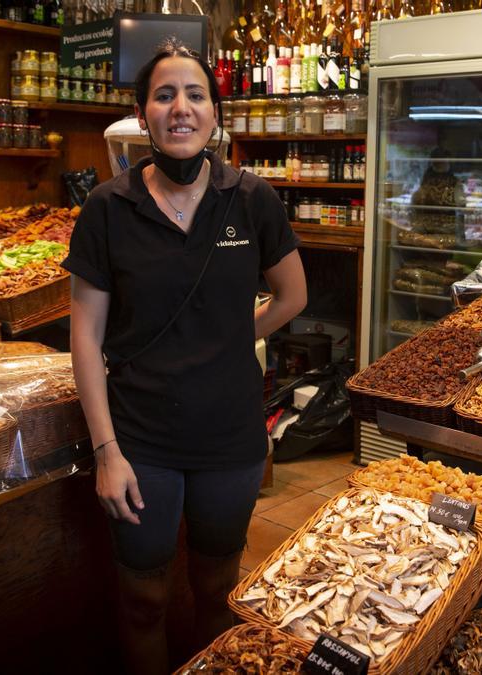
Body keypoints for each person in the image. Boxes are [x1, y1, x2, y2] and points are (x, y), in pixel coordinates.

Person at [61, 38, 307, 674]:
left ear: (214, 114)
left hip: (229, 437)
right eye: (164, 95)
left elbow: (292, 294)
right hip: (140, 439)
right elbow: (85, 337)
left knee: (218, 593)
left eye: (195, 95)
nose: (180, 108)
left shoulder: (251, 198)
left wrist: (235, 332)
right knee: (143, 597)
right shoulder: (108, 208)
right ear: (143, 115)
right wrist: (106, 454)